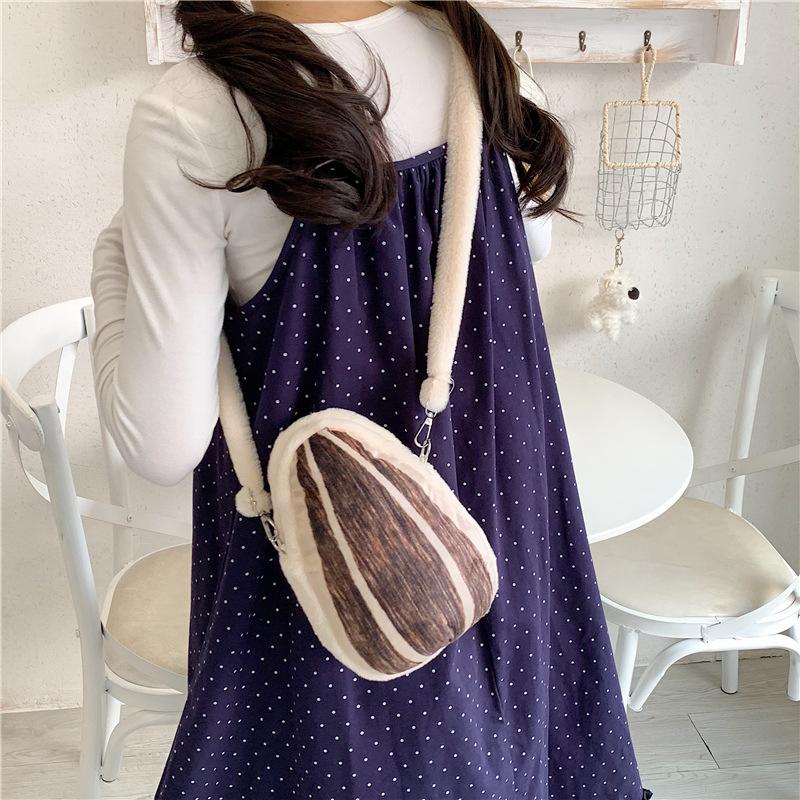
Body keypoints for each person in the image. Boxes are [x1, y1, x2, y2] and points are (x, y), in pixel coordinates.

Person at [90, 2, 651, 798]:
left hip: (327, 597)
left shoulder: (198, 115)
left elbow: (159, 442)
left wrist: (113, 258)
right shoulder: (474, 56)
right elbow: (531, 241)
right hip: (499, 545)